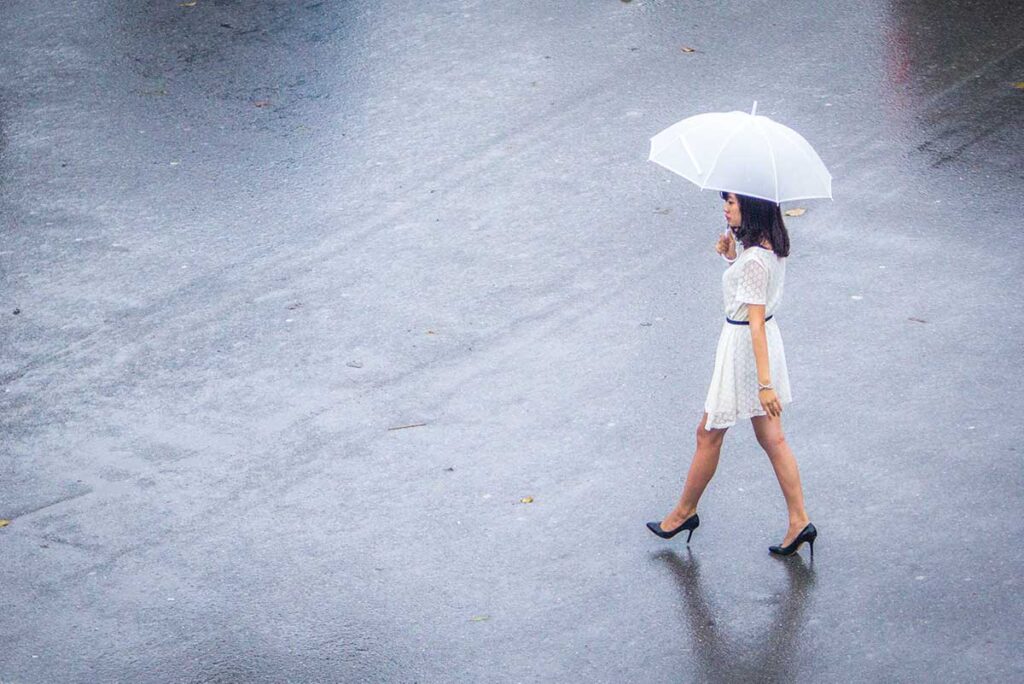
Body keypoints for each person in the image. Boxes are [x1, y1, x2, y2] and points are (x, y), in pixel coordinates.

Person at [646, 191, 817, 558]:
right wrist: (731, 258)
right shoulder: (765, 249)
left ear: (750, 208)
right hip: (760, 342)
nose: (725, 208)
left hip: (744, 348)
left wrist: (765, 385)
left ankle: (684, 512)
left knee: (708, 433)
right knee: (773, 438)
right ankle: (799, 519)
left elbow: (753, 321)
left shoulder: (755, 260)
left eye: (732, 203)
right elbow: (753, 297)